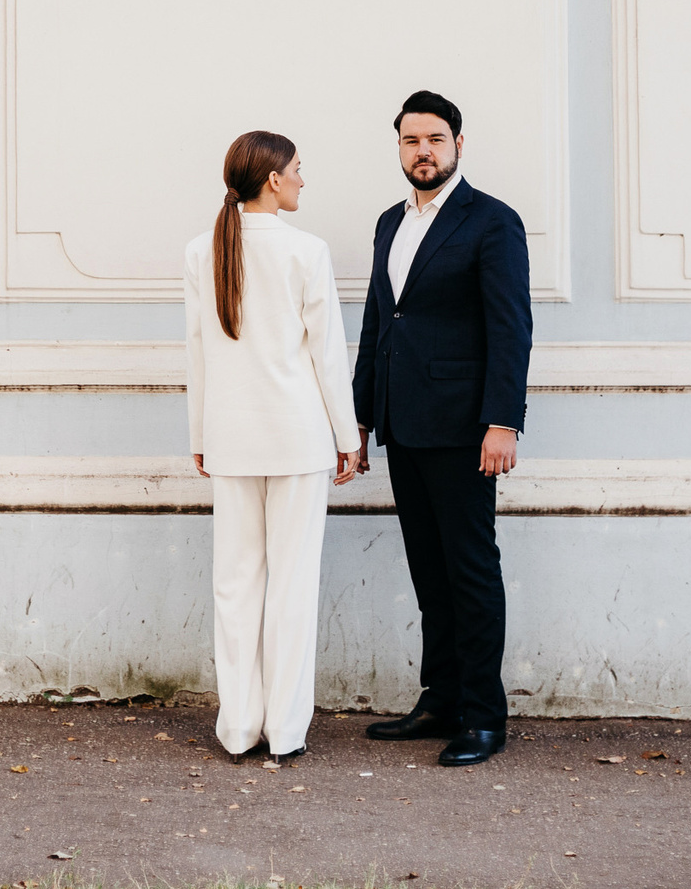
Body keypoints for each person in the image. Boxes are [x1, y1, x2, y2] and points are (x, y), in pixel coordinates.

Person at [350, 90, 532, 767]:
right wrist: (361, 415)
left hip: (465, 429)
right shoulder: (387, 223)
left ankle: (484, 715)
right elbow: (378, 322)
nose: (421, 150)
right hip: (405, 422)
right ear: (398, 147)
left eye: (434, 138)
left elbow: (511, 330)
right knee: (430, 570)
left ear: (459, 143)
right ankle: (442, 698)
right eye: (409, 140)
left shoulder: (491, 222)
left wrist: (502, 421)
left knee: (471, 570)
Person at [185, 130, 363, 761]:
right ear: (272, 181)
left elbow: (199, 352)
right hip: (298, 440)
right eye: (296, 170)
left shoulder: (200, 251)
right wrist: (349, 437)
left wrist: (200, 435)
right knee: (292, 585)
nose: (302, 180)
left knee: (234, 585)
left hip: (232, 437)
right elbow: (328, 355)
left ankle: (237, 727)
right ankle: (285, 731)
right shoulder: (306, 251)